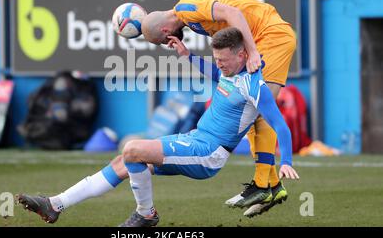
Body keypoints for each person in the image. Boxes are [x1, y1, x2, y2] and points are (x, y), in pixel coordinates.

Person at [16, 28, 299, 227]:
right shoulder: (229, 71)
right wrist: (187, 55)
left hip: (209, 152)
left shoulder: (255, 85)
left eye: (224, 60)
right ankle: (55, 204)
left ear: (241, 55)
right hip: (195, 139)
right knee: (123, 162)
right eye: (217, 60)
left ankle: (146, 214)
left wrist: (284, 161)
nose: (220, 65)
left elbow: (280, 126)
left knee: (133, 150)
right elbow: (216, 74)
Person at [140, 0, 297, 217]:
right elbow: (218, 70)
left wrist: (252, 51)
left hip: (270, 37)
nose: (168, 43)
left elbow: (232, 12)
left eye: (164, 40)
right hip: (267, 36)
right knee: (254, 110)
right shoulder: (188, 17)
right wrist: (187, 54)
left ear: (166, 30)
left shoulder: (186, 9)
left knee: (259, 110)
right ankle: (271, 185)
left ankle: (264, 185)